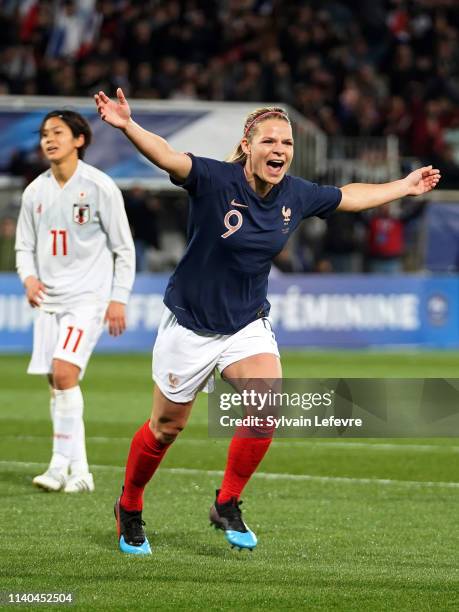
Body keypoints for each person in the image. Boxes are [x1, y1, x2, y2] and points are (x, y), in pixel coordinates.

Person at [94, 88, 440, 555]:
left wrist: (404, 185)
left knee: (266, 405)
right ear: (248, 145)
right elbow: (170, 157)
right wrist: (128, 125)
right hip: (192, 325)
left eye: (287, 144)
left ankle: (227, 502)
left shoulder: (295, 193)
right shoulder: (214, 179)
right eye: (270, 142)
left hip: (245, 325)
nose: (280, 150)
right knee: (165, 428)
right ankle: (129, 506)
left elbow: (349, 197)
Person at [15, 110, 135, 493]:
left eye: (58, 132)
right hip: (49, 301)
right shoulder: (35, 191)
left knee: (65, 373)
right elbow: (24, 246)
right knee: (58, 383)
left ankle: (57, 465)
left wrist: (118, 299)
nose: (49, 140)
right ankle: (80, 473)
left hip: (88, 299)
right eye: (45, 134)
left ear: (79, 140)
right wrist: (29, 277)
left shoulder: (99, 186)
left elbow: (124, 249)